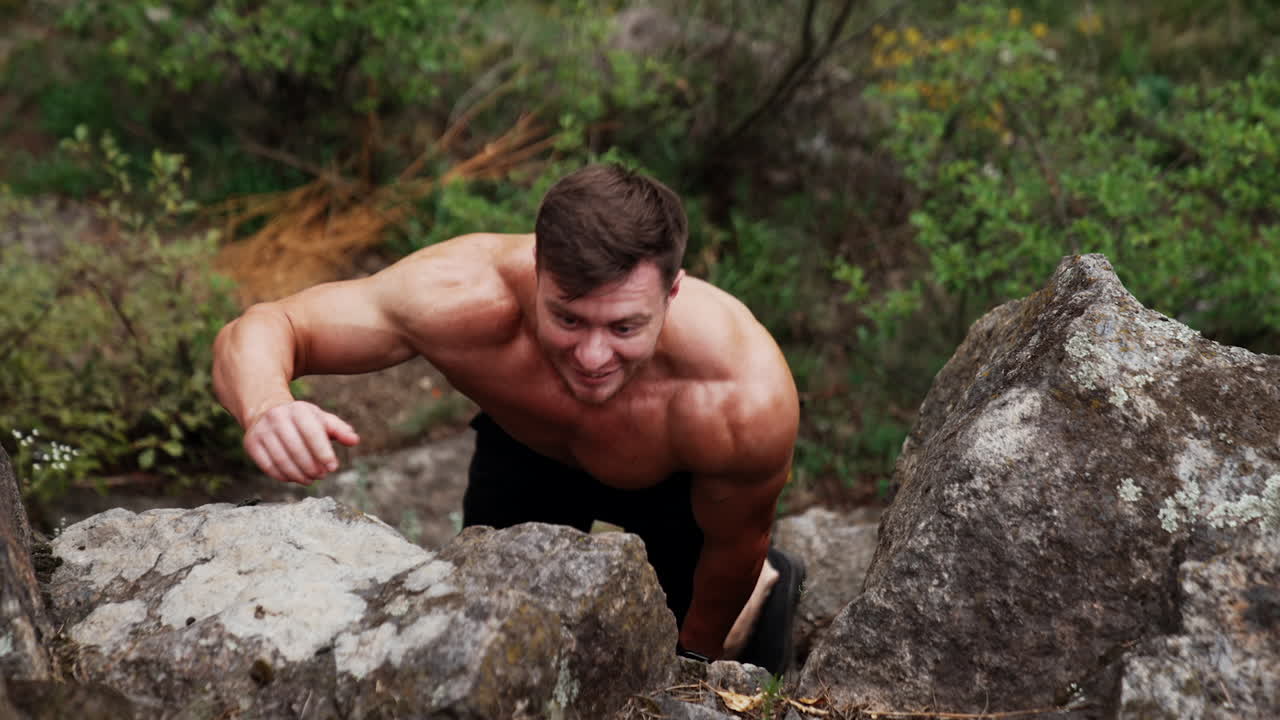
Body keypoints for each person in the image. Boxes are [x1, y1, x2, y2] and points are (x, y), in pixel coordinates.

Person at [212, 164, 804, 672]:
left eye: (625, 327)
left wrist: (691, 668)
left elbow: (735, 541)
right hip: (526, 452)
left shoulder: (737, 394)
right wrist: (267, 406)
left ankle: (767, 585)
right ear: (538, 270)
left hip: (672, 490)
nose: (593, 356)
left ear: (672, 293)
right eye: (568, 319)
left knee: (692, 639)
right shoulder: (462, 293)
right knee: (485, 637)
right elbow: (269, 326)